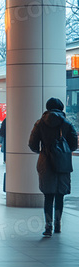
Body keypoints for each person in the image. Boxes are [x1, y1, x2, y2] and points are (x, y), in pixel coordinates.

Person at [29, 97, 78, 237]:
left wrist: (43, 150)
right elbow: (74, 144)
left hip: (46, 161)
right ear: (61, 107)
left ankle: (48, 227)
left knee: (48, 196)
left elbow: (32, 144)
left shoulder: (39, 124)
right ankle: (58, 225)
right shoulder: (67, 124)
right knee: (60, 196)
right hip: (63, 162)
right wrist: (63, 150)